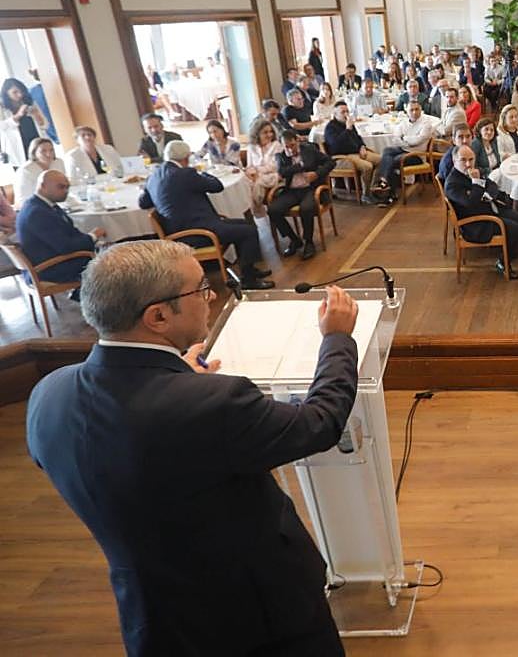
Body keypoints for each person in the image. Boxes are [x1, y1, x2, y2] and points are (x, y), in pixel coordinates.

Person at [26, 240, 359, 656]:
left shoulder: (48, 394)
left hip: (154, 616)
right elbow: (319, 424)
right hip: (262, 616)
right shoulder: (214, 403)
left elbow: (128, 453)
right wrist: (338, 340)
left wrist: (172, 378)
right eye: (200, 288)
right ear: (159, 315)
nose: (212, 296)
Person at [140, 140, 273, 289]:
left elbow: (143, 203)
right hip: (195, 232)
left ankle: (248, 270)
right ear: (186, 158)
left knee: (244, 224)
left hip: (178, 230)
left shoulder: (154, 176)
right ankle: (249, 281)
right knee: (248, 231)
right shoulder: (186, 174)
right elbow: (217, 186)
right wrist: (203, 173)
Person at [443, 145, 518, 279]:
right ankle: (503, 263)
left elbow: (492, 185)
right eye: (463, 160)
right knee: (515, 229)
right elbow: (470, 203)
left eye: (471, 159)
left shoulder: (473, 171)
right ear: (454, 160)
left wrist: (488, 195)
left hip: (489, 209)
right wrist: (477, 183)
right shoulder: (452, 183)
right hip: (475, 223)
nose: (468, 164)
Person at [15, 169, 102, 285]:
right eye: (61, 187)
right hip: (49, 269)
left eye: (67, 187)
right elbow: (66, 247)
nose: (66, 191)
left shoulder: (43, 204)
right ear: (43, 186)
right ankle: (103, 299)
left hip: (55, 259)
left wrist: (92, 240)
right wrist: (93, 237)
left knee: (107, 251)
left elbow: (71, 232)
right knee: (111, 262)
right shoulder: (37, 212)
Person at [271, 130, 333, 260]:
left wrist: (317, 173)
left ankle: (309, 242)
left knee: (307, 208)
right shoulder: (281, 156)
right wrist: (300, 166)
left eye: (292, 145)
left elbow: (330, 162)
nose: (290, 149)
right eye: (286, 146)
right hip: (292, 191)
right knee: (273, 210)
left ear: (297, 141)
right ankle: (294, 239)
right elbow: (282, 172)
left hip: (310, 188)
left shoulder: (309, 150)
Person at [323, 101, 381, 202]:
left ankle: (372, 188)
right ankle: (366, 195)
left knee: (381, 159)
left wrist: (362, 146)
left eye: (347, 111)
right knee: (367, 166)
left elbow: (358, 138)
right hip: (342, 157)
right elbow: (336, 145)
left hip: (356, 152)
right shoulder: (330, 128)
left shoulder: (348, 124)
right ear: (335, 114)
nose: (346, 114)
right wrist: (348, 129)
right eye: (342, 112)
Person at [1, 77, 49, 161]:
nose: (19, 95)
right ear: (6, 93)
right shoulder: (3, 108)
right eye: (15, 92)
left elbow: (45, 125)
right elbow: (2, 126)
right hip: (18, 149)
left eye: (21, 91)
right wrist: (18, 115)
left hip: (37, 144)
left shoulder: (29, 102)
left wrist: (36, 114)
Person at [245, 119, 282, 215]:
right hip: (257, 176)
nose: (269, 135)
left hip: (275, 176)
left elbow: (275, 166)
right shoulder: (251, 147)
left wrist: (257, 171)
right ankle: (248, 213)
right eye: (265, 132)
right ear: (257, 134)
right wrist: (252, 172)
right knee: (245, 183)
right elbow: (249, 166)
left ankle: (256, 214)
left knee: (258, 183)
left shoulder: (276, 145)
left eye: (271, 132)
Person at [15, 137, 66, 207]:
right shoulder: (25, 170)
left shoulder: (59, 162)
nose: (49, 154)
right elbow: (23, 198)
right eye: (43, 151)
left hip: (59, 203)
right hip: (35, 206)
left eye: (51, 150)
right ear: (34, 153)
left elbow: (63, 186)